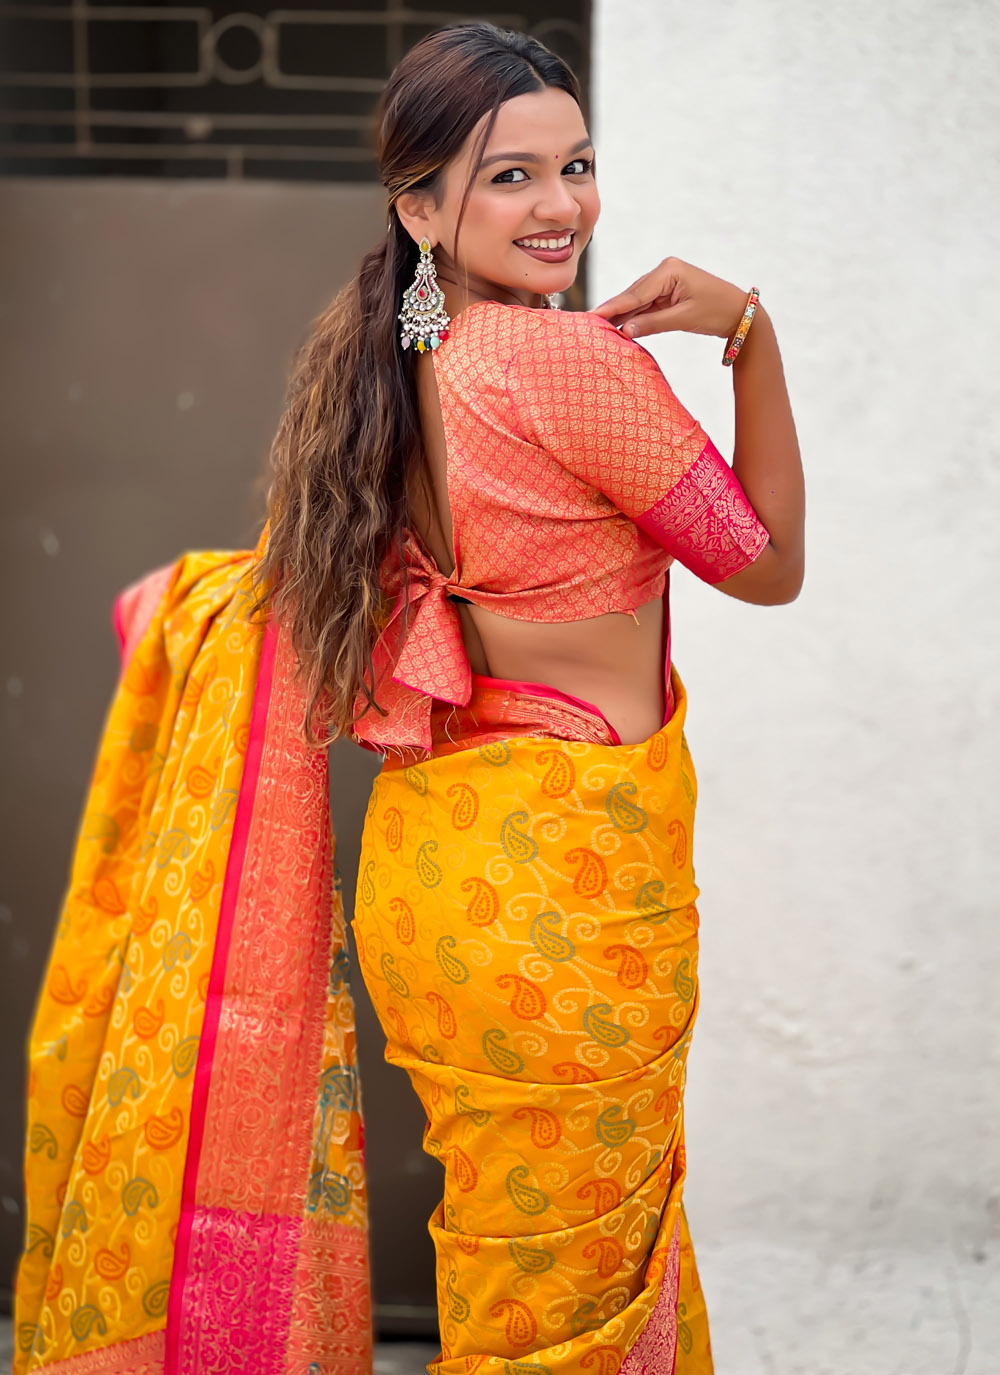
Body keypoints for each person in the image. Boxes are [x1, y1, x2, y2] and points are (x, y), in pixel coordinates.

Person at [14, 21, 803, 1375]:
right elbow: (767, 566)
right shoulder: (569, 364)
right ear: (420, 206)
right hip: (559, 888)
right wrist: (748, 333)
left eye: (577, 165)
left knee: (510, 1262)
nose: (561, 206)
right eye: (511, 176)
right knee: (564, 1297)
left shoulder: (398, 371)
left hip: (439, 877)